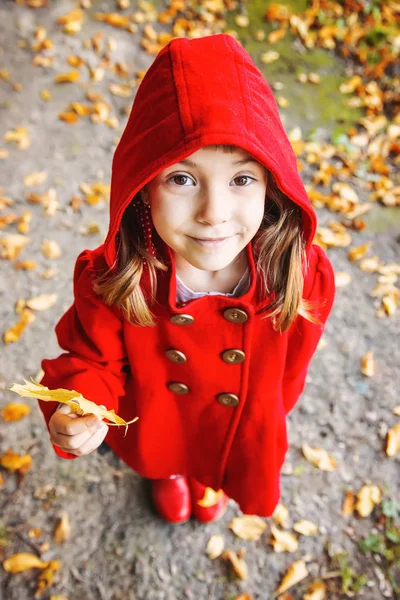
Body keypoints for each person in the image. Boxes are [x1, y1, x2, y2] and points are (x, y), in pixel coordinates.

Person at [37, 33, 335, 524]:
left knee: (213, 449)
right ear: (142, 188)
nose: (213, 214)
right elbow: (92, 359)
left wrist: (269, 415)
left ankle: (206, 475)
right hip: (158, 421)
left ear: (272, 184)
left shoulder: (301, 273)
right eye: (182, 179)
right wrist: (79, 403)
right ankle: (172, 472)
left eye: (241, 179)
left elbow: (291, 369)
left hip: (238, 428)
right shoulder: (118, 277)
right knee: (169, 447)